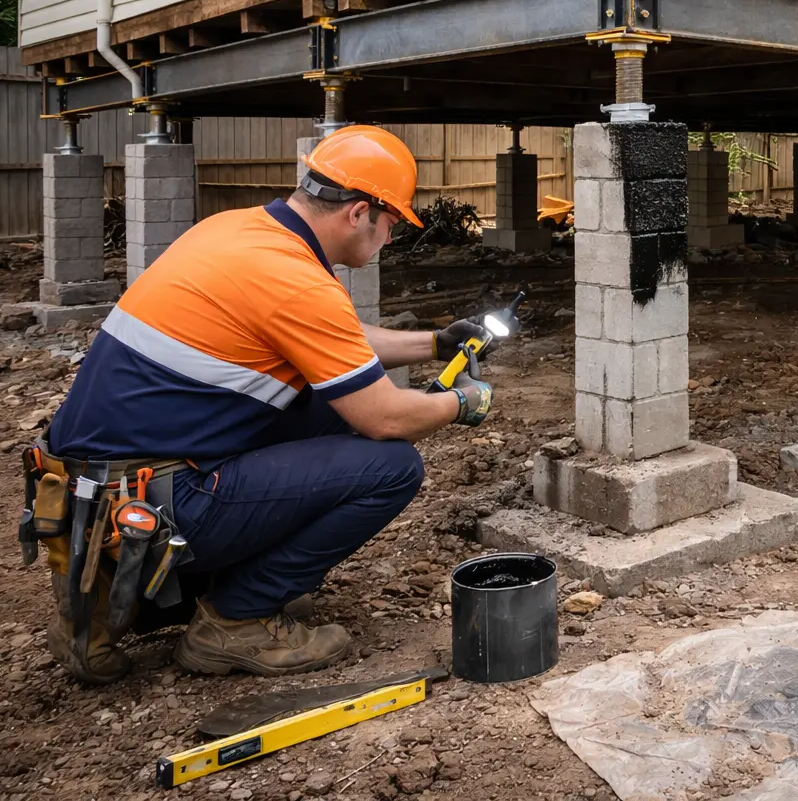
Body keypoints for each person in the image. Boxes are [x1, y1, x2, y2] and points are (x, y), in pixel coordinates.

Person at [39, 125, 494, 683]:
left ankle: (103, 604)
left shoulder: (238, 232)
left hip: (90, 491)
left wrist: (433, 343)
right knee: (391, 465)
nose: (391, 238)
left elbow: (329, 339)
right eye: (392, 222)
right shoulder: (297, 281)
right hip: (155, 499)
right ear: (358, 212)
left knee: (327, 405)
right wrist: (464, 402)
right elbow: (386, 417)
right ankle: (235, 618)